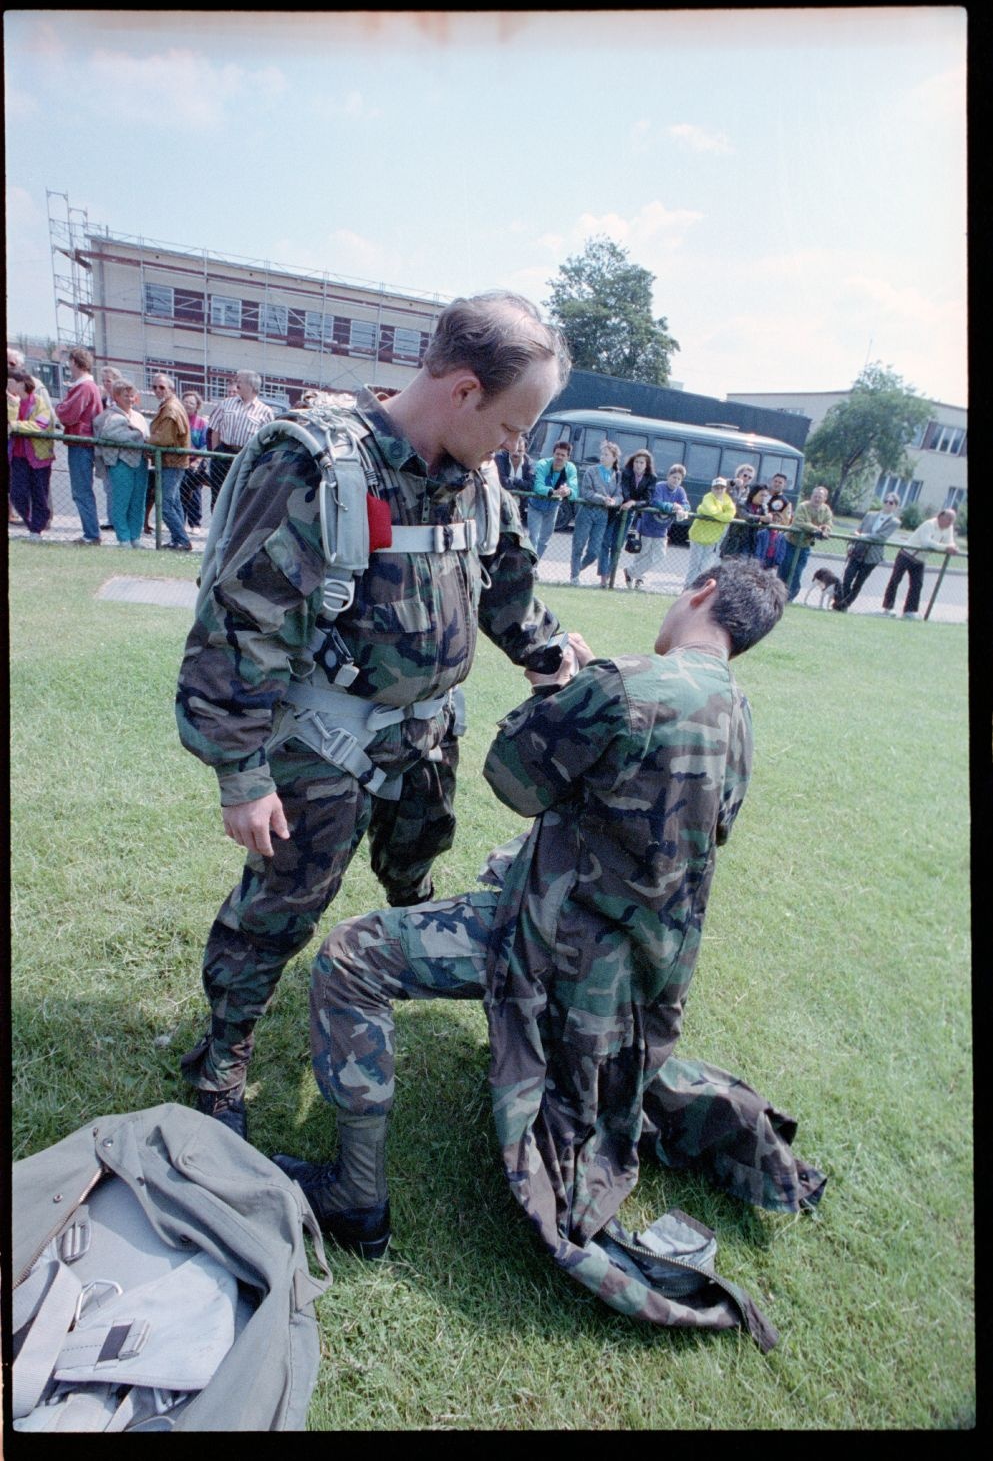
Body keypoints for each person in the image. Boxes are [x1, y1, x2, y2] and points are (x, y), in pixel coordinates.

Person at [275, 558, 824, 1353]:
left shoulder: (627, 683)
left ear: (700, 591)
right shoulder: (735, 711)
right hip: (633, 965)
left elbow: (513, 780)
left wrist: (556, 691)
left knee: (351, 959)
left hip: (550, 940)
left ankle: (356, 1194)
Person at [176, 291, 592, 1139]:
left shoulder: (477, 477)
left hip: (427, 738)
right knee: (281, 908)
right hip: (323, 746)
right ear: (465, 391)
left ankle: (385, 982)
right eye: (514, 425)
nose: (518, 447)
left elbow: (502, 581)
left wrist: (542, 652)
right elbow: (239, 624)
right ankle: (221, 1056)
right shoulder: (314, 464)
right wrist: (243, 773)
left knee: (415, 876)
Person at [54, 347, 104, 545]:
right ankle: (91, 532)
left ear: (75, 362)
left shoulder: (84, 387)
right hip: (81, 442)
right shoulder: (87, 387)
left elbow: (68, 413)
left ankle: (91, 534)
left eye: (70, 361)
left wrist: (59, 408)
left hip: (81, 443)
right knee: (82, 489)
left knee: (81, 490)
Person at [93, 379, 151, 547]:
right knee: (121, 500)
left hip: (140, 462)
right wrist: (137, 436)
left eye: (132, 395)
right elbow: (111, 435)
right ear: (116, 396)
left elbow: (145, 436)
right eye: (126, 395)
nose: (130, 399)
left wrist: (138, 436)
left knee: (138, 501)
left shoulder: (139, 417)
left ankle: (135, 537)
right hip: (120, 462)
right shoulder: (109, 416)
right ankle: (123, 538)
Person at [206, 370, 274, 507]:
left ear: (251, 385)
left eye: (239, 381)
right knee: (218, 497)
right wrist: (215, 453)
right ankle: (217, 526)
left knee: (240, 498)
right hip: (223, 454)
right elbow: (215, 429)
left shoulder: (265, 412)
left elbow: (269, 440)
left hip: (246, 457)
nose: (236, 384)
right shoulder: (226, 404)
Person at [881, 507, 958, 619]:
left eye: (952, 520)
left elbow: (950, 542)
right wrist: (946, 547)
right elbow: (926, 542)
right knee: (895, 580)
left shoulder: (949, 528)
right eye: (949, 519)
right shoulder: (929, 524)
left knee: (917, 585)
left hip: (920, 560)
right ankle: (888, 608)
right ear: (941, 516)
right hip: (906, 555)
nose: (950, 523)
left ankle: (909, 611)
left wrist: (953, 547)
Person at [623, 462, 689, 590]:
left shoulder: (680, 491)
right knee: (642, 554)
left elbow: (686, 505)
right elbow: (656, 502)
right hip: (647, 527)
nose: (676, 480)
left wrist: (681, 507)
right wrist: (672, 507)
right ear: (668, 476)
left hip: (662, 530)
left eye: (679, 479)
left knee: (659, 554)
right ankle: (637, 579)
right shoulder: (659, 486)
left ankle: (630, 572)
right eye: (674, 477)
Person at [833, 492, 902, 612]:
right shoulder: (870, 515)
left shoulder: (894, 522)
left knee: (859, 582)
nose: (887, 504)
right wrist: (855, 537)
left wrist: (862, 536)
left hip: (872, 556)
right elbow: (859, 529)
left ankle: (845, 605)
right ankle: (842, 602)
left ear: (895, 506)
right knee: (848, 577)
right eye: (886, 501)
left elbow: (880, 536)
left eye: (891, 502)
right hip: (858, 551)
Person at [8, 368, 56, 538]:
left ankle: (36, 530)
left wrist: (16, 426)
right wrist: (13, 405)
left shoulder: (39, 402)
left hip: (39, 457)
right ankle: (32, 524)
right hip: (17, 456)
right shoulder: (11, 402)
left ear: (21, 382)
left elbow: (41, 425)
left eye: (11, 381)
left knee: (39, 494)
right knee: (17, 494)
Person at [148, 374, 193, 550]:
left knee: (165, 504)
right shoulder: (169, 406)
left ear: (171, 389)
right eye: (154, 387)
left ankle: (181, 539)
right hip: (173, 462)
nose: (158, 391)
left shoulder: (171, 409)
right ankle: (178, 538)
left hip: (173, 462)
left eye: (161, 387)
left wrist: (146, 439)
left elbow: (164, 438)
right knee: (174, 502)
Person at [570, 440, 622, 587]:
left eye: (606, 454)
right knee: (579, 544)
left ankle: (579, 567)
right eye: (602, 454)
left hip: (603, 515)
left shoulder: (617, 475)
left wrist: (614, 501)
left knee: (594, 550)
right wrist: (601, 498)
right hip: (587, 510)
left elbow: (620, 495)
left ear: (614, 458)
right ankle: (574, 576)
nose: (603, 457)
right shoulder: (591, 471)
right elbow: (586, 491)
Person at [779, 485, 833, 600]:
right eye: (815, 496)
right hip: (790, 542)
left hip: (805, 546)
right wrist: (816, 529)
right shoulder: (803, 506)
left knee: (797, 572)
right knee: (785, 570)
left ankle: (790, 598)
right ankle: (778, 595)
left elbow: (828, 523)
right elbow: (799, 522)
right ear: (811, 496)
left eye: (820, 497)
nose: (817, 499)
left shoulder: (826, 509)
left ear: (824, 499)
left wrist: (825, 529)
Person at [527, 440, 578, 561]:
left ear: (568, 457)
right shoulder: (542, 464)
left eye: (563, 455)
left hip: (553, 508)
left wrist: (568, 491)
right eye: (557, 454)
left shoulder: (570, 468)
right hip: (535, 506)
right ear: (553, 454)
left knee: (544, 540)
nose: (559, 457)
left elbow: (575, 491)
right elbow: (537, 486)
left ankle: (534, 566)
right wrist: (553, 492)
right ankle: (528, 565)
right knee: (533, 537)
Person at [614, 448, 657, 586]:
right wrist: (629, 501)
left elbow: (648, 499)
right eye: (636, 462)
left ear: (646, 465)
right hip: (623, 508)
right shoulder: (626, 473)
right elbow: (625, 491)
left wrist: (634, 503)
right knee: (615, 543)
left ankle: (636, 574)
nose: (638, 465)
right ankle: (612, 576)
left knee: (643, 548)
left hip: (639, 513)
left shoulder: (651, 478)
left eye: (642, 463)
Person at [683, 476, 736, 585]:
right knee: (694, 565)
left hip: (713, 539)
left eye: (722, 487)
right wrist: (721, 516)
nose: (719, 490)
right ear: (712, 488)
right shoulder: (708, 497)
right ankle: (688, 587)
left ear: (725, 489)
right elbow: (712, 511)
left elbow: (730, 516)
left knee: (705, 567)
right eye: (716, 488)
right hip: (698, 537)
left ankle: (698, 588)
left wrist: (715, 514)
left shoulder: (727, 500)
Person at [97, 366, 124, 530]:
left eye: (109, 380)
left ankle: (120, 520)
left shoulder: (123, 401)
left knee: (119, 487)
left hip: (118, 450)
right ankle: (112, 519)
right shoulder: (103, 400)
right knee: (108, 487)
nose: (106, 384)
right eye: (104, 381)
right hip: (104, 450)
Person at [180, 391, 210, 532]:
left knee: (194, 494)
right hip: (179, 461)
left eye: (191, 403)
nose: (188, 405)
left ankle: (195, 523)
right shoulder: (178, 419)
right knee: (178, 494)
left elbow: (205, 444)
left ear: (197, 406)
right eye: (185, 402)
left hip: (194, 463)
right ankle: (180, 522)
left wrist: (197, 461)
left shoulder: (202, 423)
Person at [495, 434, 535, 525]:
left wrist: (514, 480)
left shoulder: (530, 464)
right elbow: (502, 481)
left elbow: (531, 485)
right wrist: (520, 486)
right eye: (515, 450)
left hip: (520, 503)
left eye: (520, 451)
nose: (516, 453)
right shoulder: (500, 458)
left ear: (525, 451)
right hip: (499, 499)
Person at [719, 463, 757, 558]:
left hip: (735, 524)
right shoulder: (730, 484)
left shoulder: (748, 491)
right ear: (739, 474)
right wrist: (733, 482)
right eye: (745, 475)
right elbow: (720, 484)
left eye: (750, 477)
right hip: (722, 519)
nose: (746, 478)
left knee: (729, 551)